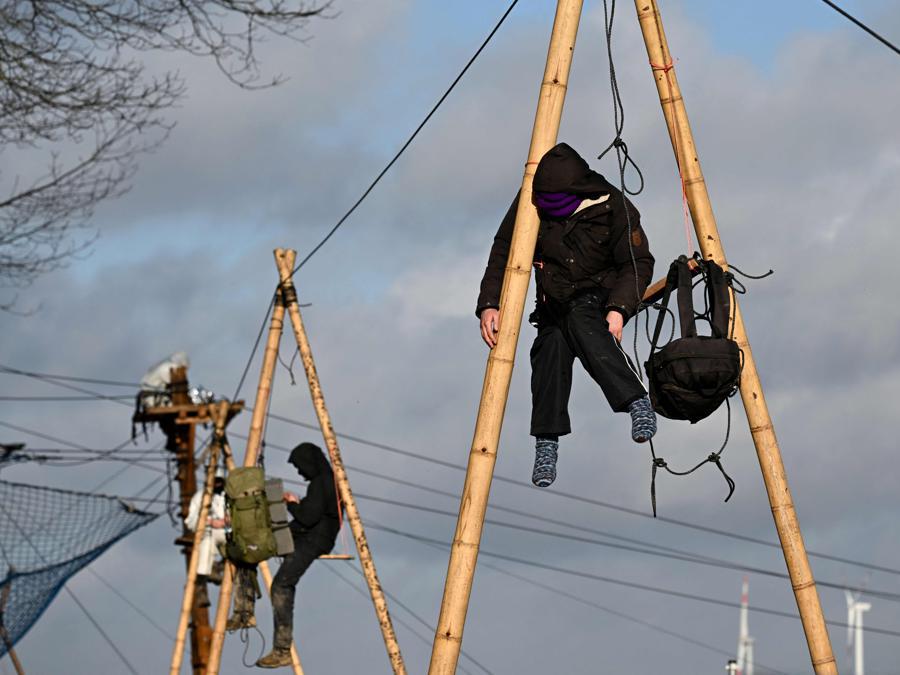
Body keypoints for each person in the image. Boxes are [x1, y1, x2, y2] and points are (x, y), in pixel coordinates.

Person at [476, 143, 657, 488]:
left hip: (599, 295)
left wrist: (618, 310)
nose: (548, 210)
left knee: (580, 320)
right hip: (553, 302)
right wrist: (489, 302)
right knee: (549, 349)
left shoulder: (613, 206)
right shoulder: (531, 201)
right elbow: (504, 249)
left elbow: (638, 264)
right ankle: (547, 442)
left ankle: (636, 401)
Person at [256, 442, 341, 668]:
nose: (300, 472)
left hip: (313, 540)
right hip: (312, 537)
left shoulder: (321, 483)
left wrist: (292, 504)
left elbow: (308, 517)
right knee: (257, 547)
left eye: (300, 467)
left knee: (281, 585)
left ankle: (282, 649)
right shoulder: (327, 481)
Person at [184, 473, 227, 608]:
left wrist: (227, 521)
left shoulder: (229, 495)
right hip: (207, 532)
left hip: (227, 532)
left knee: (238, 548)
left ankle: (218, 567)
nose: (218, 485)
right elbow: (190, 521)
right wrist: (208, 521)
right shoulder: (201, 496)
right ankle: (201, 588)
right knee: (205, 548)